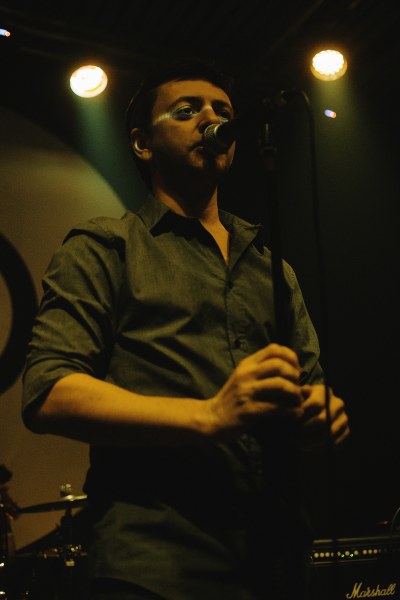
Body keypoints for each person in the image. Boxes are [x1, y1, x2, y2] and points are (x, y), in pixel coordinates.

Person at [22, 58, 349, 600]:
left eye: (222, 110)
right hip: (154, 562)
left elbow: (311, 393)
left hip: (276, 559)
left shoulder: (272, 268)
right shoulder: (106, 246)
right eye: (186, 110)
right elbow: (48, 391)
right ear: (142, 144)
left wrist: (319, 414)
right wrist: (209, 415)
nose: (211, 119)